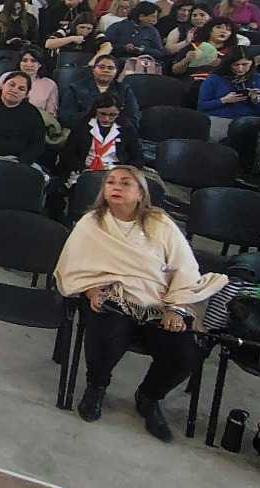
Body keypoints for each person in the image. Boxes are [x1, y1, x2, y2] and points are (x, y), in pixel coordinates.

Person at [55, 165, 227, 442]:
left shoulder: (159, 222)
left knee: (186, 352)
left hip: (157, 303)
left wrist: (175, 308)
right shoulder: (92, 222)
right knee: (106, 333)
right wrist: (90, 291)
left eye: (125, 183)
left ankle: (149, 397)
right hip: (111, 297)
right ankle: (96, 388)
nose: (116, 187)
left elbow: (185, 267)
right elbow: (73, 266)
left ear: (140, 193)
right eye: (110, 182)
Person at [56, 95, 145, 189]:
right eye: (102, 114)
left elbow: (137, 156)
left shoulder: (127, 128)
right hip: (85, 171)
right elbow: (68, 153)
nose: (107, 119)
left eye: (112, 115)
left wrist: (123, 171)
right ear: (95, 110)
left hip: (115, 172)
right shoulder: (81, 125)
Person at [58, 53, 140, 129]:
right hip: (84, 131)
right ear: (93, 69)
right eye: (102, 67)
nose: (106, 70)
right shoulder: (76, 88)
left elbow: (133, 118)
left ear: (116, 72)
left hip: (117, 133)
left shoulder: (124, 90)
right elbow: (66, 117)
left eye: (110, 68)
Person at [197, 48, 260, 119]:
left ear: (252, 63)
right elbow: (202, 107)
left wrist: (256, 102)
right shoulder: (213, 78)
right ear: (228, 64)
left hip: (248, 120)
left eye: (245, 64)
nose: (240, 69)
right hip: (219, 117)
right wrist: (223, 100)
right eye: (236, 65)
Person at [0, 48, 59, 115]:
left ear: (40, 64)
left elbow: (51, 115)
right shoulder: (6, 76)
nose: (28, 64)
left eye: (33, 61)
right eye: (24, 60)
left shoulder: (50, 84)